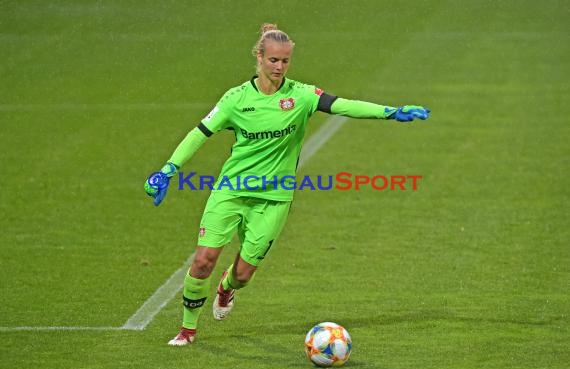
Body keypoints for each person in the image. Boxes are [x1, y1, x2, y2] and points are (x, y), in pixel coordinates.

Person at [144, 23, 430, 346]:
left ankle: (227, 288)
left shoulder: (302, 96)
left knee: (242, 275)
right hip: (231, 191)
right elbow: (200, 133)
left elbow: (344, 105)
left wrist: (390, 112)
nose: (279, 67)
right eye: (274, 60)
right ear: (259, 57)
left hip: (274, 200)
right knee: (204, 259)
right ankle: (187, 331)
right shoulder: (235, 100)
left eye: (285, 61)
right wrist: (169, 168)